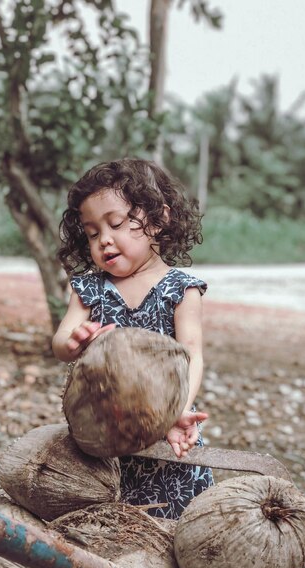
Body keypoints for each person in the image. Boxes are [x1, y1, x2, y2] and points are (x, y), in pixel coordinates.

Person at [52, 158, 213, 521]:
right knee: (107, 515)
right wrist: (75, 340)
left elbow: (192, 356)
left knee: (179, 519)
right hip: (104, 431)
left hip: (166, 421)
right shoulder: (89, 289)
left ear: (158, 220)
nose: (104, 240)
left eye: (116, 224)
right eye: (92, 233)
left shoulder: (181, 289)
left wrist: (177, 412)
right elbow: (61, 343)